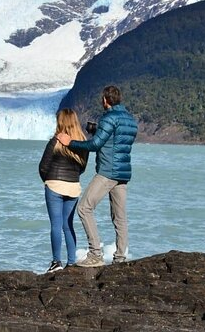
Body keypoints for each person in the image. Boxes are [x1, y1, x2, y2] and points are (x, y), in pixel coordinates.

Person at [57, 85, 138, 267]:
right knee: (120, 216)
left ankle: (95, 254)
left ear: (105, 100)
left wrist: (70, 143)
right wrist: (98, 131)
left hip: (108, 171)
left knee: (84, 208)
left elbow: (94, 145)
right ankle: (120, 258)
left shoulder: (109, 117)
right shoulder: (130, 120)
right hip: (123, 173)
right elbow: (118, 141)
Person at [39, 109, 89, 272]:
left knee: (56, 224)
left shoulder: (55, 141)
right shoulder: (82, 143)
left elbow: (43, 166)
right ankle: (71, 262)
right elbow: (82, 168)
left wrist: (48, 180)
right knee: (68, 225)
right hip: (73, 187)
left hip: (54, 185)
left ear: (60, 121)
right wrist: (72, 178)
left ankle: (56, 262)